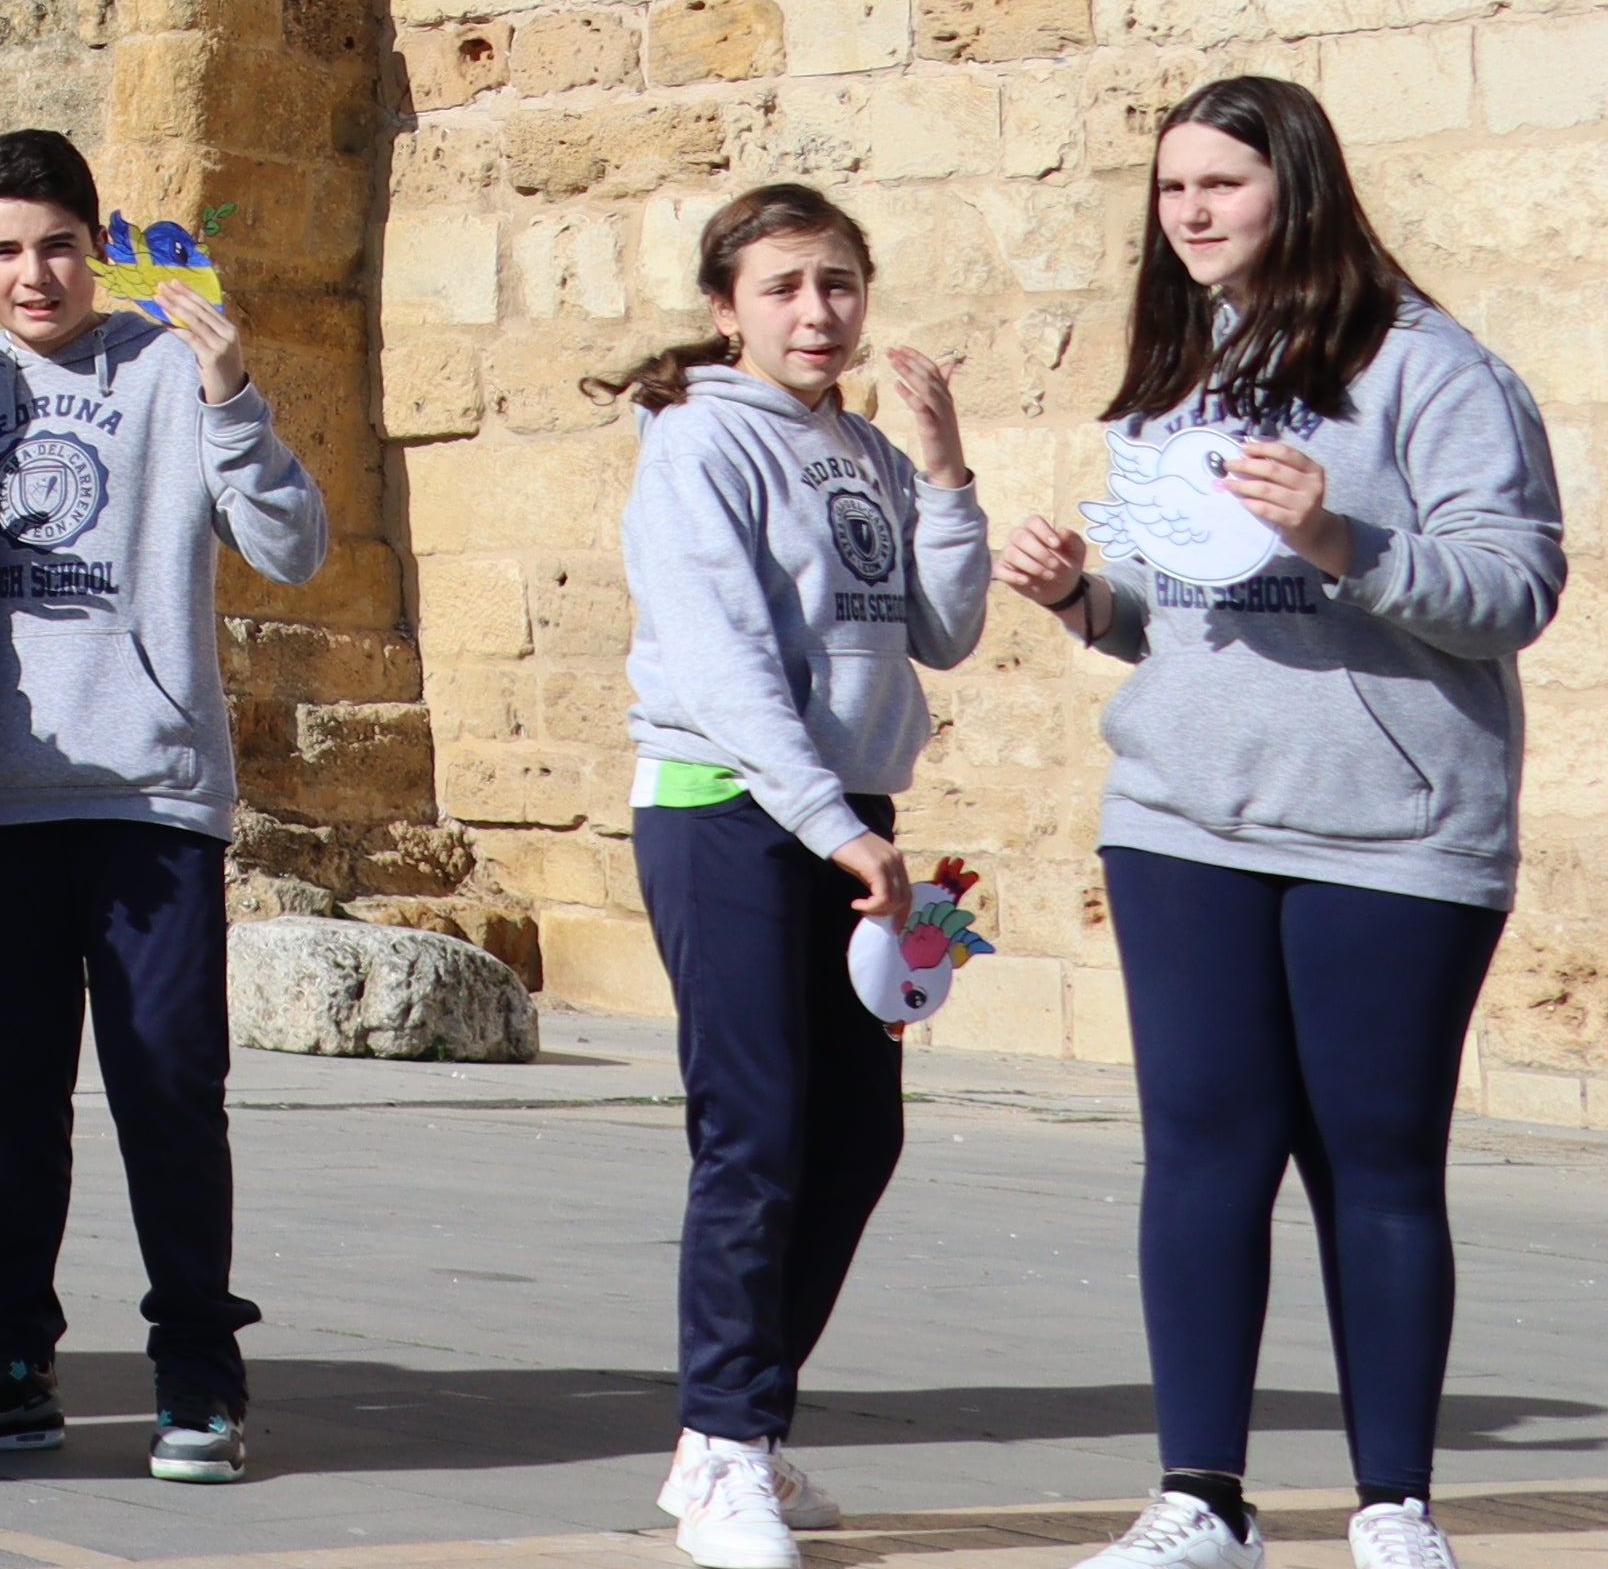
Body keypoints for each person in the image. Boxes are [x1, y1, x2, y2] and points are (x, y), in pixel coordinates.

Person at [999, 77, 1567, 1569]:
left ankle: (1394, 1506)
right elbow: (1159, 613)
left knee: (1377, 1159)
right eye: (1173, 187)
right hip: (1183, 817)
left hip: (1389, 831)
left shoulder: (1436, 371)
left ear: (1297, 188)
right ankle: (1202, 1498)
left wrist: (1338, 535)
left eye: (1223, 184)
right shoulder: (1186, 374)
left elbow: (1515, 587)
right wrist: (1078, 592)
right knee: (1200, 1149)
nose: (1191, 211)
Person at [0, 125, 330, 1481]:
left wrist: (236, 396)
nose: (38, 275)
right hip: (6, 796)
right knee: (10, 1104)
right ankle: (5, 1365)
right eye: (7, 252)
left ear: (98, 243)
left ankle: (200, 1377)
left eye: (59, 246)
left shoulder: (168, 367)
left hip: (151, 797)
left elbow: (294, 547)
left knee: (168, 1093)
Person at [600, 185, 986, 1569]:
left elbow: (940, 629)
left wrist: (943, 471)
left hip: (849, 820)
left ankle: (739, 1432)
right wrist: (832, 824)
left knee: (858, 1135)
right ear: (726, 310)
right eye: (782, 288)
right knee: (755, 1130)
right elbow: (719, 665)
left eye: (837, 284)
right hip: (728, 813)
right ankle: (721, 1441)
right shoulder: (698, 442)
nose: (816, 312)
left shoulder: (866, 450)